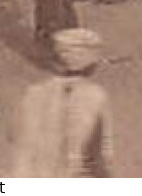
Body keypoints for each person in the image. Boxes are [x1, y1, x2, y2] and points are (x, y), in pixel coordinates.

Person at [11, 28, 114, 177]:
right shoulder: (95, 97)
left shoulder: (32, 93)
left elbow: (16, 137)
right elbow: (98, 154)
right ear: (92, 66)